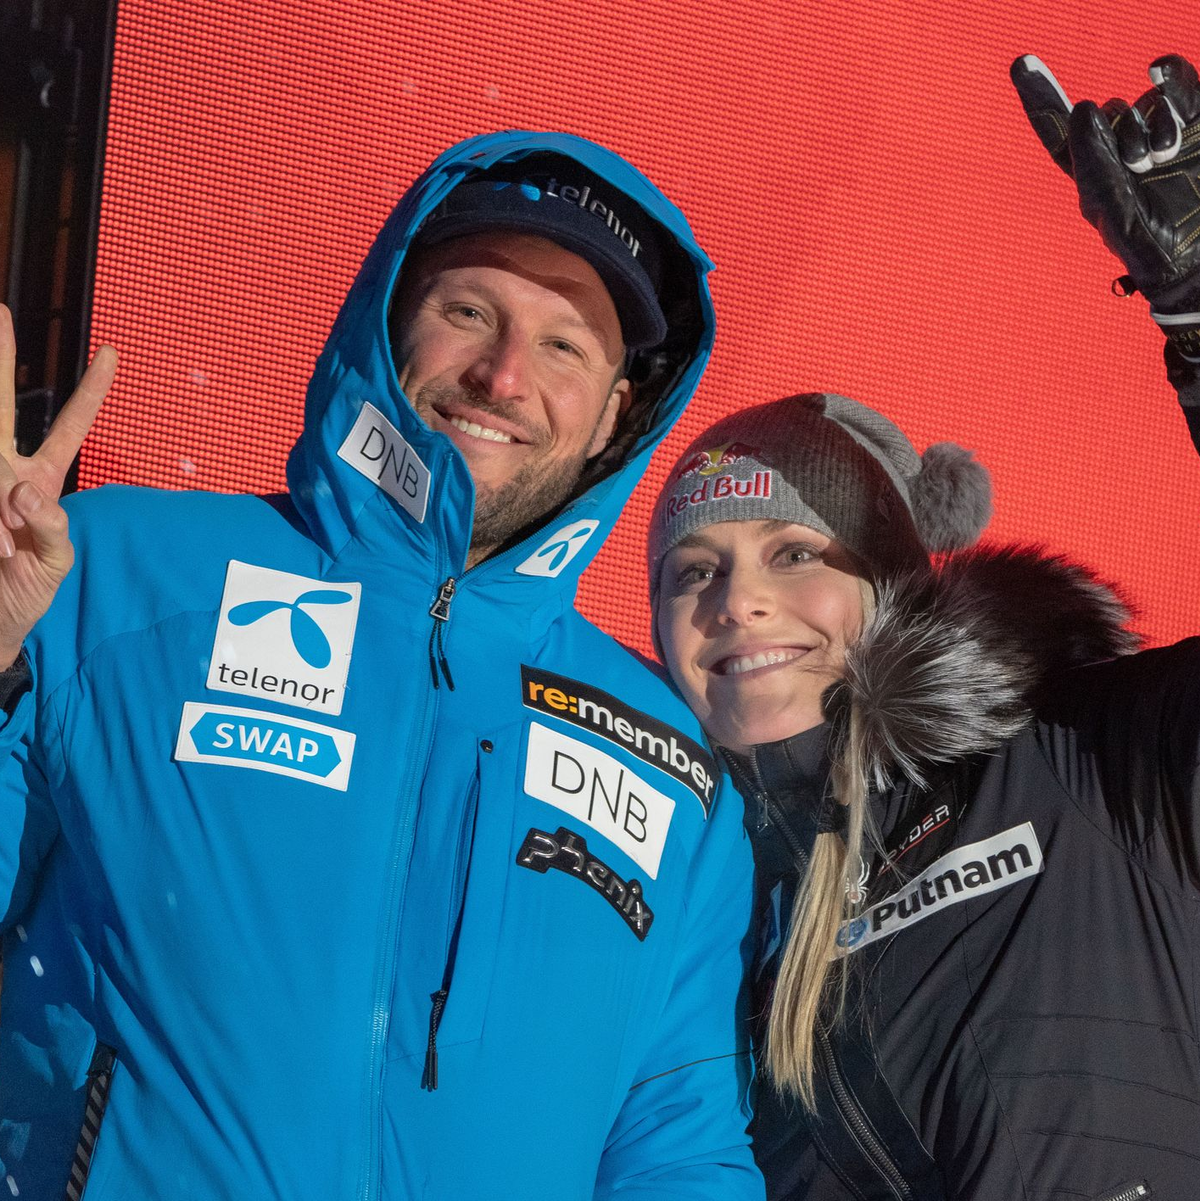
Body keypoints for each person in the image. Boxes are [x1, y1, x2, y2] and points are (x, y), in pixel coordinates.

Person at [0, 131, 762, 1199]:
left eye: (564, 345)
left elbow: (677, 1145)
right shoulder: (109, 574)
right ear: (389, 315)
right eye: (469, 312)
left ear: (616, 414)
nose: (503, 376)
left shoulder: (672, 762)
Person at [646, 56, 1200, 1200]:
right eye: (693, 571)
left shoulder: (1091, 761)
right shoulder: (681, 920)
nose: (736, 602)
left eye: (795, 553)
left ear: (895, 582)